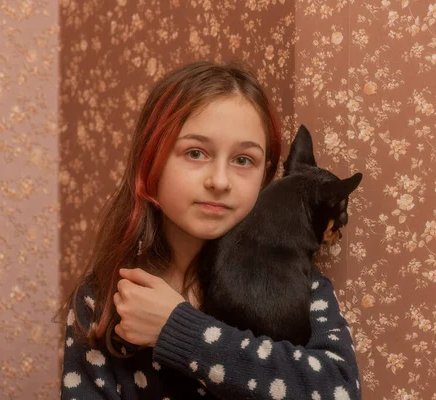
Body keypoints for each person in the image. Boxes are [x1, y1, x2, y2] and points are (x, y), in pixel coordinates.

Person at [58, 60, 362, 399]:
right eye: (195, 152)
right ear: (150, 161)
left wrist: (178, 330)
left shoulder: (302, 287)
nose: (219, 181)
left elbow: (339, 390)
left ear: (267, 175)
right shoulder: (103, 297)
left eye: (243, 160)